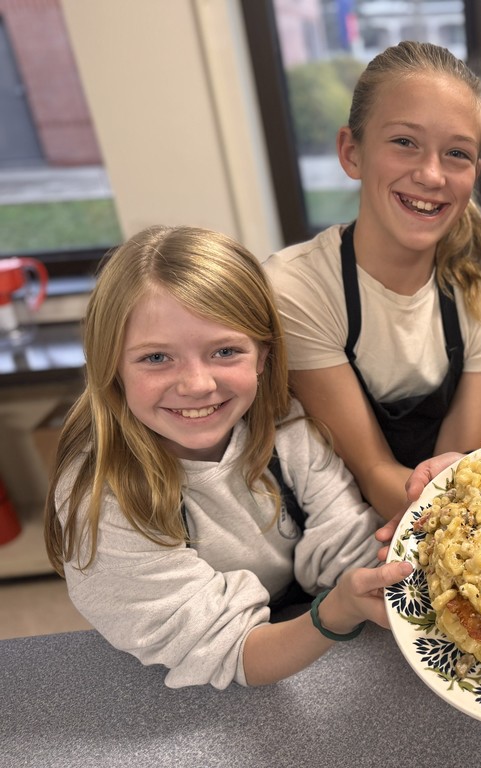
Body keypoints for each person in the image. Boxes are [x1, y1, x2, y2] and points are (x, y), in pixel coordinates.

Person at [43, 225, 413, 689]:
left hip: (296, 633)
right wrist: (335, 613)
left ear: (262, 355)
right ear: (110, 364)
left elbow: (349, 551)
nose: (197, 385)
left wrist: (430, 518)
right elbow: (229, 651)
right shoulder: (103, 498)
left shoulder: (287, 427)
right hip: (177, 689)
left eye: (225, 351)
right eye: (157, 358)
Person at [262, 41, 481, 520]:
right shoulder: (295, 289)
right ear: (351, 152)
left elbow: (452, 470)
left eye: (457, 154)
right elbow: (370, 468)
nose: (431, 174)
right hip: (333, 535)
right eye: (405, 142)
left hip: (435, 519)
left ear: (475, 175)